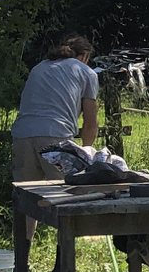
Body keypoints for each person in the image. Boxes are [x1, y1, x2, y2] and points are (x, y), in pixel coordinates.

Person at [11, 35, 99, 185]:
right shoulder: (86, 72)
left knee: (26, 193)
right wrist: (86, 151)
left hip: (22, 135)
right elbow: (90, 123)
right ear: (84, 56)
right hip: (56, 136)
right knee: (63, 191)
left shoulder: (39, 67)